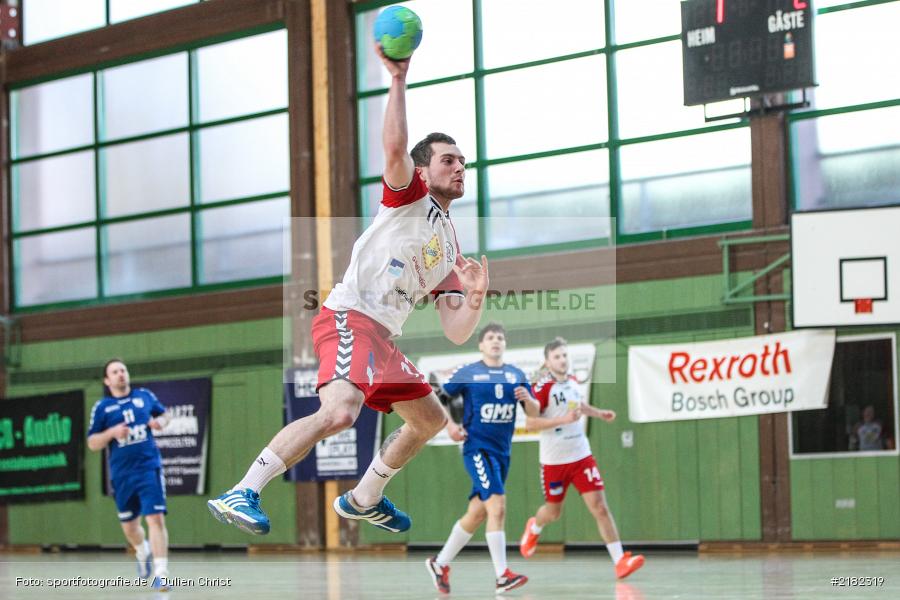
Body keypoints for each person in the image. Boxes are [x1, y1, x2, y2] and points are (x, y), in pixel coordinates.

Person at [207, 44, 488, 536]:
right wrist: (397, 79)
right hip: (349, 318)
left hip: (382, 339)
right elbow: (396, 148)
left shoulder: (448, 243)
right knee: (339, 411)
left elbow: (457, 331)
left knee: (430, 419)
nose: (459, 167)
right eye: (449, 160)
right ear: (424, 172)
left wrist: (476, 299)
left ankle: (363, 498)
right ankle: (243, 490)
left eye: (463, 161)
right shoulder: (409, 197)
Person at [425, 323, 540, 595]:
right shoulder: (469, 372)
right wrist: (450, 426)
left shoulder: (516, 374)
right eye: (490, 337)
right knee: (497, 507)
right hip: (478, 449)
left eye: (500, 337)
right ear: (481, 345)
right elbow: (438, 397)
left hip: (503, 453)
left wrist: (528, 399)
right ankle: (502, 576)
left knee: (477, 513)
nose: (496, 341)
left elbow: (534, 412)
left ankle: (439, 564)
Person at [518, 337, 645, 580]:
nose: (562, 360)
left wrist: (598, 413)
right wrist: (562, 420)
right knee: (553, 513)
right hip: (554, 461)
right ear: (547, 361)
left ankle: (620, 561)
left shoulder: (574, 381)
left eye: (565, 355)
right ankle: (534, 527)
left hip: (581, 456)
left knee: (599, 506)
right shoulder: (543, 388)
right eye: (557, 356)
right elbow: (531, 423)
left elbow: (579, 405)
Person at [87, 359, 172, 590]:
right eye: (114, 372)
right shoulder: (103, 407)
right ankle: (142, 549)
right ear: (107, 380)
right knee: (130, 528)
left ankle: (161, 573)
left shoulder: (144, 396)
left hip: (148, 467)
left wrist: (160, 422)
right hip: (122, 474)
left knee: (155, 518)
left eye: (123, 370)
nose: (120, 374)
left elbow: (166, 415)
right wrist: (112, 432)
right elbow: (92, 443)